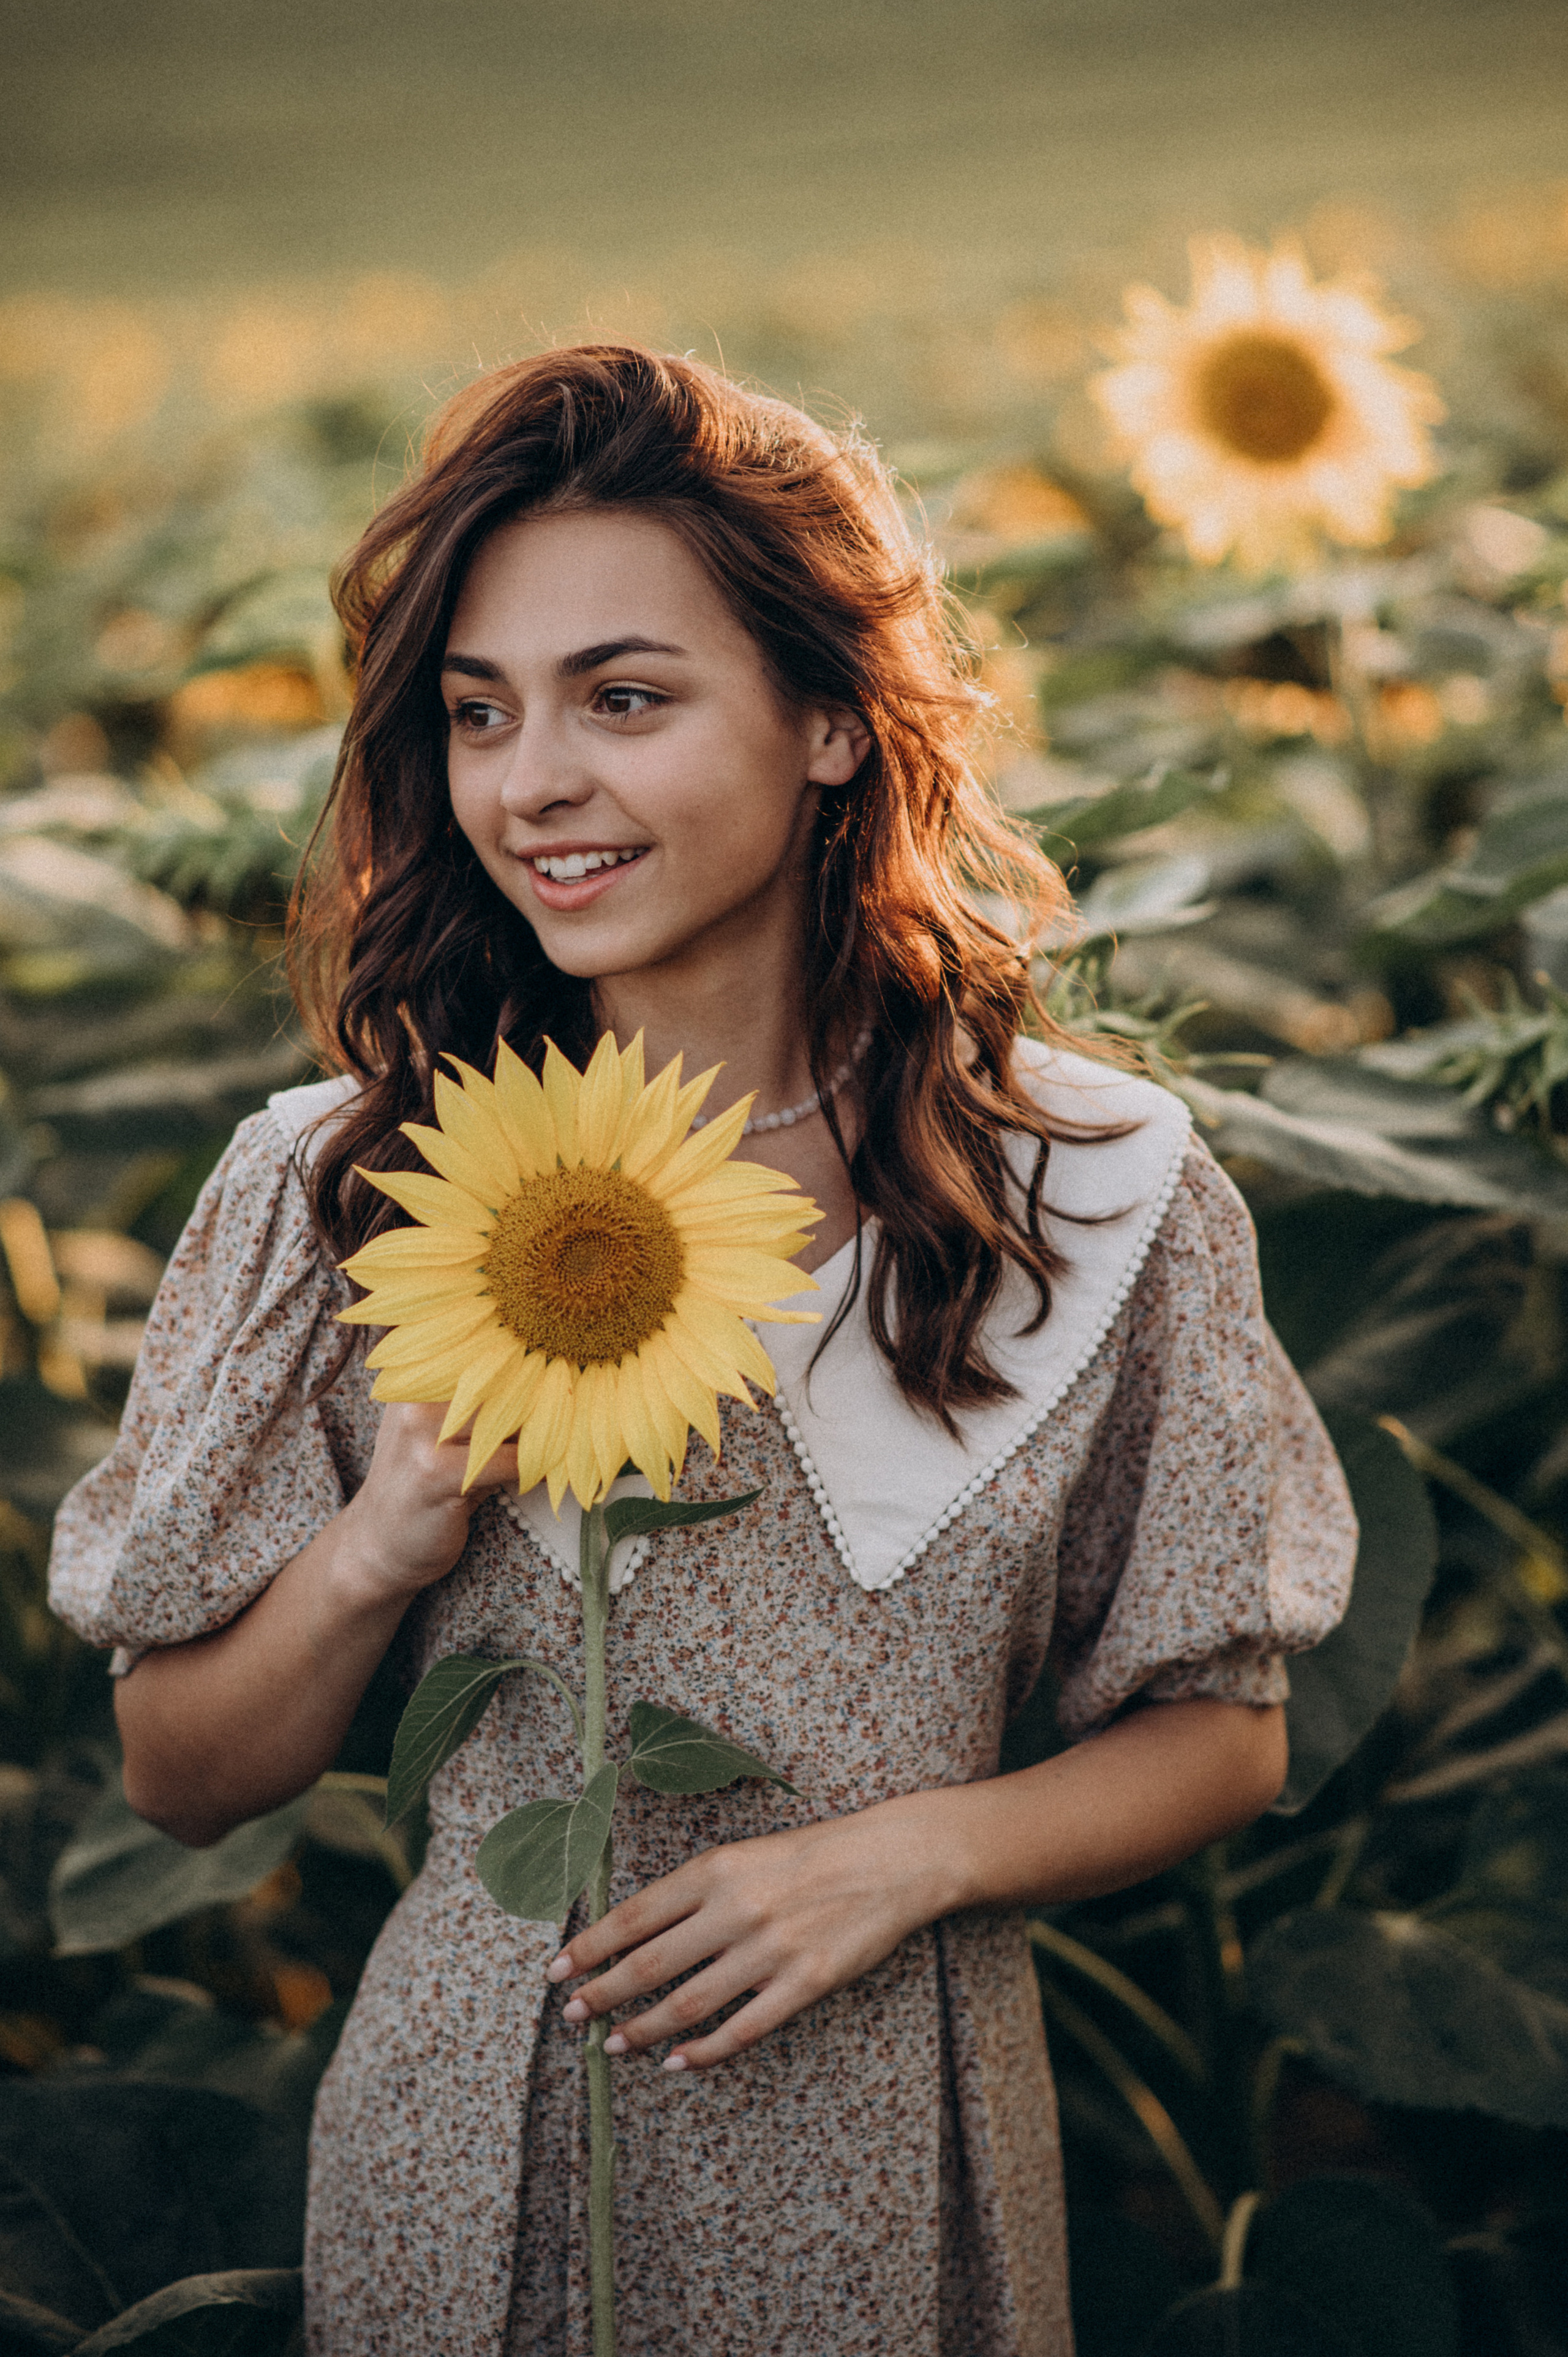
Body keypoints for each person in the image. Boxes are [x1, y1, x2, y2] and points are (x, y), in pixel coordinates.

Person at [48, 344, 1356, 2357]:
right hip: (471, 2142)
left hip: (892, 2147)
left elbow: (1221, 1724)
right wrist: (385, 1538)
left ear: (833, 722)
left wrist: (909, 1858)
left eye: (625, 699)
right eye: (479, 716)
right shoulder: (350, 1183)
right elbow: (178, 1777)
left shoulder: (1091, 1190)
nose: (531, 784)